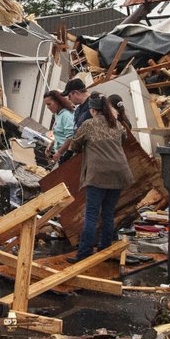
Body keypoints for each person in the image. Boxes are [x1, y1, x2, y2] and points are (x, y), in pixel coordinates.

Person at [68, 92, 134, 262]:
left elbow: (74, 145)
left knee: (91, 214)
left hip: (98, 175)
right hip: (119, 173)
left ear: (92, 110)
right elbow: (124, 138)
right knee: (108, 214)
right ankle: (105, 250)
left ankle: (84, 254)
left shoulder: (89, 125)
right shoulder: (117, 125)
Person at [43, 90, 74, 163]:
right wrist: (52, 144)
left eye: (49, 104)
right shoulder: (57, 114)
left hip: (66, 156)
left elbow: (70, 137)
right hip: (60, 154)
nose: (48, 107)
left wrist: (59, 152)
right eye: (46, 105)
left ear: (57, 101)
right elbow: (60, 133)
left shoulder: (66, 115)